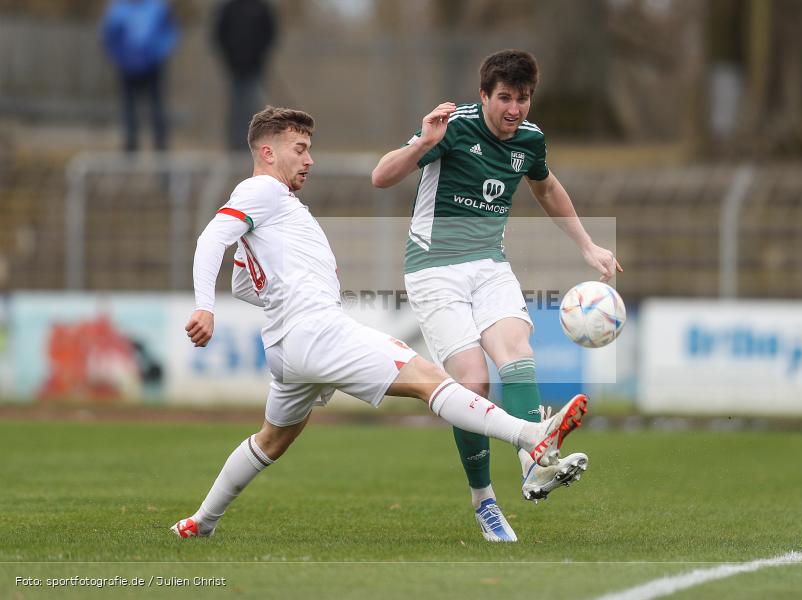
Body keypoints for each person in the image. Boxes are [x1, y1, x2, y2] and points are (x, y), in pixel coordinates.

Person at [170, 106, 589, 539]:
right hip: (316, 332)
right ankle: (531, 435)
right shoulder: (262, 190)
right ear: (267, 152)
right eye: (300, 149)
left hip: (287, 346)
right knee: (430, 378)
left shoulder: (277, 208)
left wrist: (292, 287)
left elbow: (243, 282)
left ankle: (201, 523)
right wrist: (205, 306)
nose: (309, 159)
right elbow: (210, 238)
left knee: (271, 440)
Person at [371, 49, 621, 542]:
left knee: (518, 354)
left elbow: (547, 188)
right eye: (504, 98)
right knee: (473, 383)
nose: (514, 109)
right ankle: (484, 502)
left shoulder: (530, 140)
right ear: (484, 95)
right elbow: (381, 177)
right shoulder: (453, 127)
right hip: (433, 268)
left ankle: (535, 464)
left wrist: (589, 245)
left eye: (523, 98)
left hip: (489, 265)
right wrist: (424, 141)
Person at [100, 0, 179, 152]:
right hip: (127, 68)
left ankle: (161, 147)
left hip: (152, 67)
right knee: (129, 111)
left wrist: (158, 54)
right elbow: (108, 36)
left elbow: (169, 32)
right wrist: (119, 58)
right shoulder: (118, 9)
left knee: (157, 110)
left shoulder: (158, 7)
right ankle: (130, 148)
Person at [213, 0, 277, 151]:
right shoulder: (228, 8)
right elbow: (219, 35)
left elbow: (270, 34)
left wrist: (259, 57)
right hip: (234, 68)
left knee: (254, 108)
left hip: (255, 68)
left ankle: (255, 145)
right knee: (236, 110)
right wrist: (229, 58)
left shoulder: (261, 8)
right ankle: (235, 147)